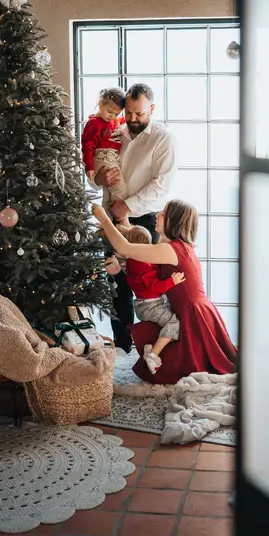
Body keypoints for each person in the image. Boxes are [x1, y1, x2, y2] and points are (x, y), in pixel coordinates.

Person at [92, 199, 237, 385]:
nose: (158, 215)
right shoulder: (176, 246)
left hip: (193, 315)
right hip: (194, 310)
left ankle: (154, 355)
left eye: (163, 213)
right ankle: (154, 354)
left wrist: (105, 219)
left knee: (187, 367)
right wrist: (124, 222)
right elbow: (137, 246)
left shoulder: (170, 249)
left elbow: (125, 248)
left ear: (173, 221)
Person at [91, 83, 177, 353]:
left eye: (139, 114)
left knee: (145, 287)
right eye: (128, 113)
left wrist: (127, 206)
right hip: (112, 220)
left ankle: (149, 345)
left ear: (152, 108)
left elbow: (161, 184)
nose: (132, 119)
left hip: (145, 221)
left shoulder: (163, 138)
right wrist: (98, 178)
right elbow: (97, 165)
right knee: (114, 283)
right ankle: (123, 345)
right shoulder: (115, 129)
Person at [103, 224, 185, 374]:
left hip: (148, 303)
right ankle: (153, 354)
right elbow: (154, 286)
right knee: (175, 323)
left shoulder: (135, 261)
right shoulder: (141, 264)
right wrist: (172, 281)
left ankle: (152, 348)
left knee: (169, 320)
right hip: (149, 306)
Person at [81, 88, 129, 225]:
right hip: (104, 157)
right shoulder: (94, 123)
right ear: (100, 103)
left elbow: (119, 121)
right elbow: (87, 147)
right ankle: (124, 222)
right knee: (120, 188)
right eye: (109, 111)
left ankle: (106, 223)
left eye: (116, 113)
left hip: (111, 157)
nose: (112, 116)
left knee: (107, 194)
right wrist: (89, 167)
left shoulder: (113, 121)